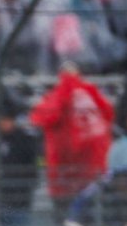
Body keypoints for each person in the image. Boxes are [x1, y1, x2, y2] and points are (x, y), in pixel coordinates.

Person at [30, 63, 114, 213]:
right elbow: (109, 115)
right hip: (87, 175)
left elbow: (39, 118)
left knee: (70, 225)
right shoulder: (90, 94)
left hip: (72, 177)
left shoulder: (60, 95)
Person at [0, 107, 39, 226]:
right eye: (1, 120)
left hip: (18, 200)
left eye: (7, 120)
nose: (4, 123)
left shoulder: (25, 141)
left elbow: (32, 170)